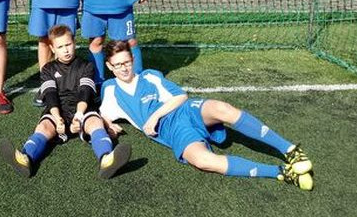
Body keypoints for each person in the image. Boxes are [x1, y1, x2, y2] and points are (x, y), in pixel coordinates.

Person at [98, 40, 314, 190]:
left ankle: (291, 150)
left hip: (184, 110)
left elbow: (180, 96)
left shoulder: (149, 76)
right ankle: (282, 172)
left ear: (133, 59)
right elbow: (102, 115)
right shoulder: (110, 90)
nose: (124, 68)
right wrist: (109, 125)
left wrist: (154, 117)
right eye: (118, 65)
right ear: (109, 66)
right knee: (202, 161)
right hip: (172, 131)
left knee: (223, 108)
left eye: (127, 62)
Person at [0, 25, 131, 178]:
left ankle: (106, 159)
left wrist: (79, 115)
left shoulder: (86, 65)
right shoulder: (47, 69)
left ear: (74, 43)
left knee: (95, 123)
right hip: (58, 110)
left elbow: (84, 92)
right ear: (52, 48)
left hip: (82, 109)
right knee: (43, 127)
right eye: (60, 47)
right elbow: (50, 95)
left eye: (68, 44)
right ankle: (25, 158)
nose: (66, 50)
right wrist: (57, 118)